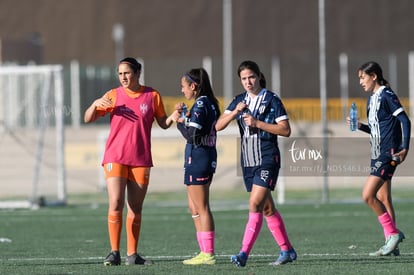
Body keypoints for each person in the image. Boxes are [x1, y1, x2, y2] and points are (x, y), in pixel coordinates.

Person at [84, 57, 175, 266]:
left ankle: (132, 255)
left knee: (135, 206)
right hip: (115, 156)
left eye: (127, 73)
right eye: (120, 73)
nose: (123, 77)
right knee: (116, 202)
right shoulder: (113, 95)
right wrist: (95, 104)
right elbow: (88, 118)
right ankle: (114, 252)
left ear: (137, 73)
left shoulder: (152, 95)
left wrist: (174, 116)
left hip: (141, 159)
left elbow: (163, 123)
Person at [216, 60, 296, 267]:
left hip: (267, 158)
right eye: (243, 79)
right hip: (248, 161)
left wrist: (258, 123)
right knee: (267, 208)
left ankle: (243, 254)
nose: (248, 82)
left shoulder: (271, 99)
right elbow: (217, 126)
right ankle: (287, 250)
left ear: (259, 76)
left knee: (254, 204)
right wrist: (234, 113)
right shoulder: (239, 100)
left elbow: (286, 130)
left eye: (251, 77)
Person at [349, 61, 410, 256]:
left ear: (374, 76)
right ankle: (392, 244)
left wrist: (405, 148)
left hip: (388, 153)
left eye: (362, 77)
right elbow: (376, 129)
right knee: (383, 197)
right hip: (377, 152)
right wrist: (361, 126)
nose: (360, 82)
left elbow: (404, 120)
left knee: (368, 195)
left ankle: (393, 234)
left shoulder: (386, 94)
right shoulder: (371, 99)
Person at [171, 68, 221, 265]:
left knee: (202, 206)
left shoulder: (201, 103)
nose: (182, 90)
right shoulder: (205, 103)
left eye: (184, 86)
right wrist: (184, 117)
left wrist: (178, 123)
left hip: (200, 157)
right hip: (198, 157)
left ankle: (208, 253)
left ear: (193, 86)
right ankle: (203, 251)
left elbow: (193, 136)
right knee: (193, 206)